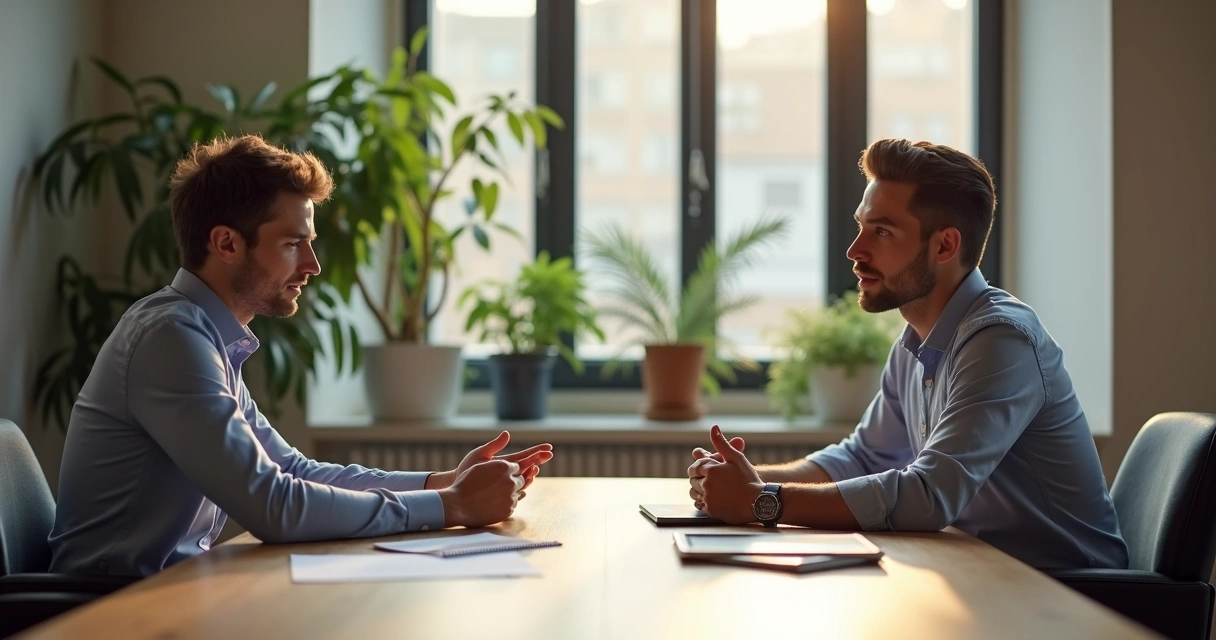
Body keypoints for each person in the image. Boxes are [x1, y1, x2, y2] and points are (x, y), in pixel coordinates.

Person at [49, 135, 553, 578]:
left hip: (164, 595)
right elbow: (274, 505)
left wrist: (441, 483)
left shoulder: (203, 335)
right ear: (226, 243)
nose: (312, 265)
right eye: (293, 243)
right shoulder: (171, 338)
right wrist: (451, 505)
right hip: (107, 612)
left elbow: (291, 469)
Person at [687, 138, 1128, 570]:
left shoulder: (1000, 341)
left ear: (944, 247)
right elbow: (862, 458)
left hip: (1072, 595)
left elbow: (930, 496)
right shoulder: (916, 343)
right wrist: (744, 480)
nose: (855, 251)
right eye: (861, 225)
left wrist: (762, 502)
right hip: (984, 575)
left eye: (881, 231)